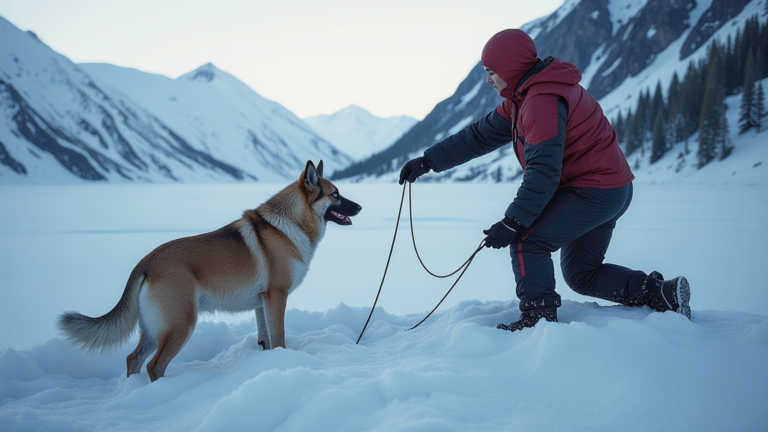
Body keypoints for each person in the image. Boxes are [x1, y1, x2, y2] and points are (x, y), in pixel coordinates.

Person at [398, 29, 690, 332]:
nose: (488, 80)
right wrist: (429, 160)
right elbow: (480, 135)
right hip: (611, 189)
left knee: (527, 240)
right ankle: (661, 294)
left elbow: (543, 172)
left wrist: (513, 222)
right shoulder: (523, 97)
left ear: (510, 69)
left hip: (594, 191)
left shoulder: (541, 102)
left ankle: (538, 319)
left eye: (491, 72)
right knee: (581, 274)